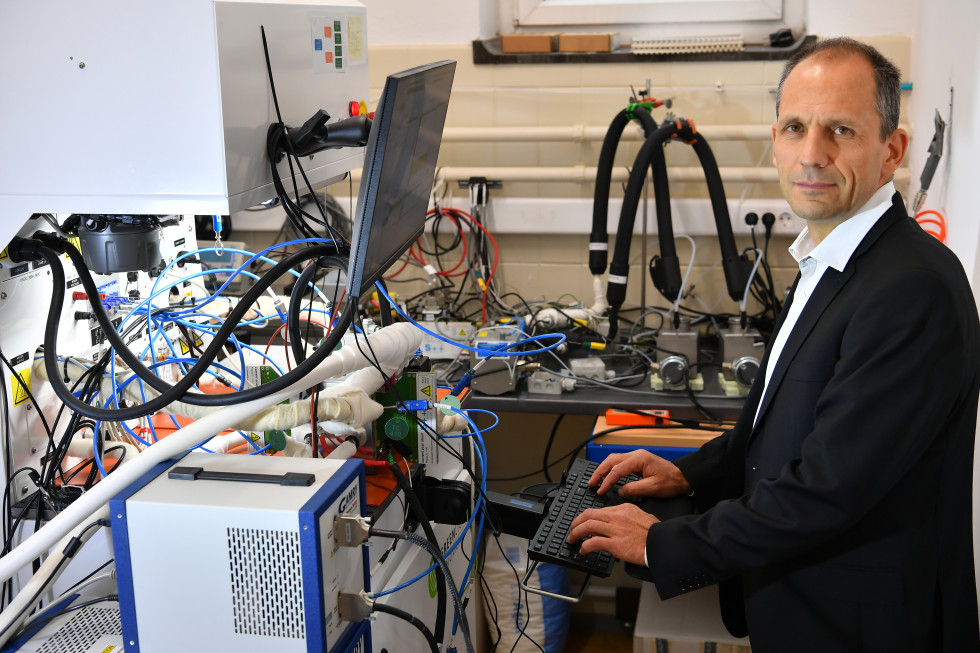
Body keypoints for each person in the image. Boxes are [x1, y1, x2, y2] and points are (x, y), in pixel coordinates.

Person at [568, 37, 980, 652]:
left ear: (891, 150)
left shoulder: (911, 289)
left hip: (866, 628)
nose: (811, 154)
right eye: (795, 127)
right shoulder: (834, 257)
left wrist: (660, 544)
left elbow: (825, 487)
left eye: (840, 129)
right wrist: (688, 476)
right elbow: (786, 427)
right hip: (808, 604)